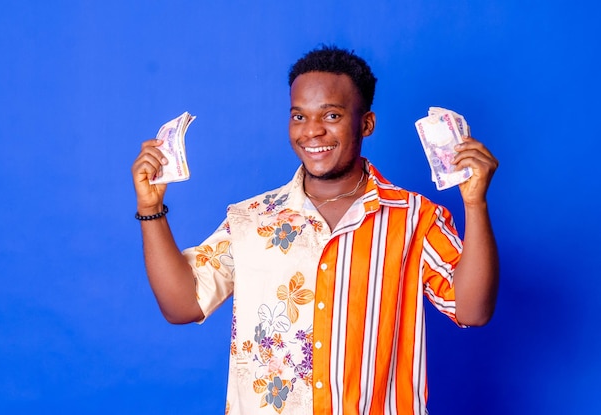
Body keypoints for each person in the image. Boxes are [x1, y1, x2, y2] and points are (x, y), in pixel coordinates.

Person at [131, 45, 499, 415]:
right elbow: (183, 306)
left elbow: (472, 310)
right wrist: (151, 210)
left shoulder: (415, 217)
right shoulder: (251, 218)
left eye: (332, 115)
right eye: (299, 117)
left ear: (366, 123)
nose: (312, 131)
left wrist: (475, 204)